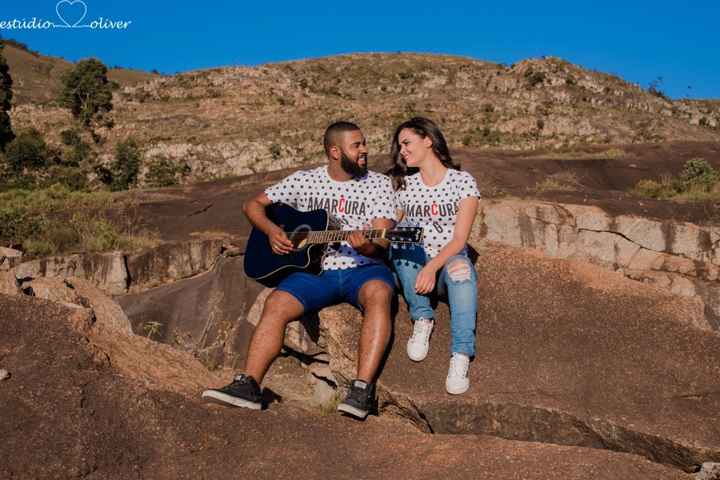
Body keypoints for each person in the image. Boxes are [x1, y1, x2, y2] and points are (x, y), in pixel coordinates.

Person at [203, 121, 396, 419]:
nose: (365, 150)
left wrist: (365, 246)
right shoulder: (305, 180)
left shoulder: (379, 184)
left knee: (381, 293)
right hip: (315, 273)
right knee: (277, 302)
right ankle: (249, 386)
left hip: (363, 269)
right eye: (357, 145)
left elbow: (381, 241)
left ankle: (361, 391)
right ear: (335, 151)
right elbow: (252, 205)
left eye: (364, 144)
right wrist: (270, 230)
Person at [387, 117, 480, 395]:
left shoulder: (462, 182)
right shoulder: (405, 187)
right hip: (414, 269)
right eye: (400, 146)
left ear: (428, 139)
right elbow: (391, 227)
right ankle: (422, 318)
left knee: (461, 269)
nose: (402, 150)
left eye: (407, 143)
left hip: (447, 264)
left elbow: (460, 239)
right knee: (401, 243)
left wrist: (432, 267)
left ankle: (460, 355)